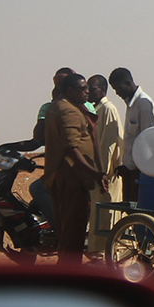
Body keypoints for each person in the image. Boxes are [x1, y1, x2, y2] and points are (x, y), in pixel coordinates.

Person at [42, 71, 105, 264]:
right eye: (82, 88)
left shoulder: (58, 106)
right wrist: (94, 173)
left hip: (63, 175)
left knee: (67, 229)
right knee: (73, 230)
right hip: (72, 177)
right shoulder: (68, 111)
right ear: (69, 90)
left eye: (87, 88)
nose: (87, 92)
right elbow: (71, 147)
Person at [86, 72, 125, 252]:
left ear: (102, 90)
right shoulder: (96, 110)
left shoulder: (108, 109)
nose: (88, 92)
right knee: (98, 215)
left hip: (107, 174)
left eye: (92, 89)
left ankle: (103, 254)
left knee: (107, 215)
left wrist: (101, 173)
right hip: (99, 172)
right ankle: (96, 252)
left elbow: (108, 146)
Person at [110, 66, 154, 202]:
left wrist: (131, 166)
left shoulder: (143, 103)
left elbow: (147, 140)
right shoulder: (131, 104)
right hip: (130, 168)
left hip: (140, 170)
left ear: (128, 83)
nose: (117, 93)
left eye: (118, 88)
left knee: (138, 208)